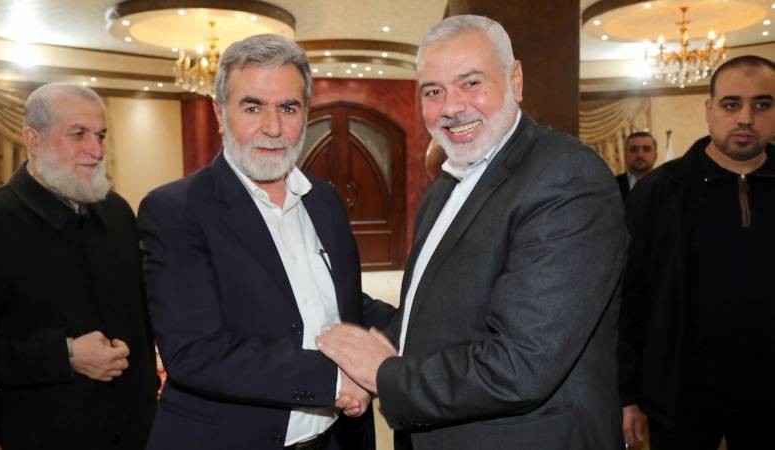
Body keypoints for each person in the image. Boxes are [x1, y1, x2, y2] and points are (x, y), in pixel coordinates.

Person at [317, 15, 628, 450]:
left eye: (471, 83)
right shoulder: (443, 189)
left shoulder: (566, 178)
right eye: (433, 91)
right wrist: (335, 316)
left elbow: (521, 364)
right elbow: (433, 319)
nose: (451, 107)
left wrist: (385, 375)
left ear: (515, 80)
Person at [138, 34, 393, 450]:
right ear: (220, 113)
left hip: (337, 438)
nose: (273, 128)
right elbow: (196, 352)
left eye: (288, 108)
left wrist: (416, 329)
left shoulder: (325, 199)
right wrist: (336, 380)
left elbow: (338, 302)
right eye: (252, 107)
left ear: (305, 113)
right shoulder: (175, 211)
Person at [618, 55, 775, 450]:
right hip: (681, 392)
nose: (745, 118)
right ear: (709, 110)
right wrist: (626, 393)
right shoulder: (660, 191)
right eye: (731, 104)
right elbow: (628, 296)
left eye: (762, 104)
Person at [0, 83, 157, 450]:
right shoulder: (0, 220)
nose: (96, 151)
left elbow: (141, 323)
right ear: (33, 140)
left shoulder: (116, 211)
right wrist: (64, 354)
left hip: (137, 432)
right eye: (79, 134)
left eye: (100, 135)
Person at [616, 131, 658, 200]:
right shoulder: (613, 185)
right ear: (625, 155)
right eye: (634, 150)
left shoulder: (668, 185)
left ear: (655, 156)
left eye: (646, 149)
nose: (640, 155)